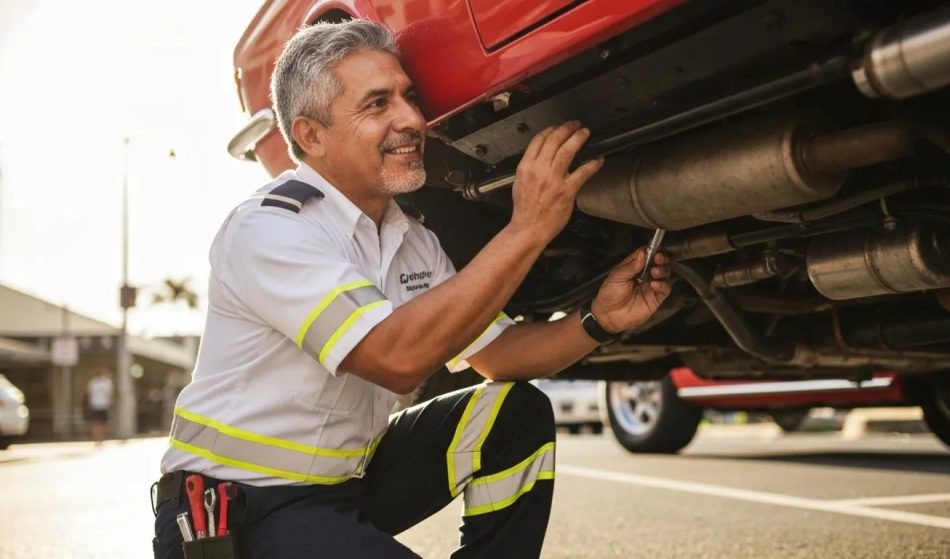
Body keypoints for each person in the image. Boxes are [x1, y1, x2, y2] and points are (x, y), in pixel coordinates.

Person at [151, 20, 671, 559]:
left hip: (348, 487)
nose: (412, 120)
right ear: (311, 135)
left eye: (409, 97)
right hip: (241, 511)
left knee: (515, 414)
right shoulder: (270, 229)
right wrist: (528, 228)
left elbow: (497, 357)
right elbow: (395, 358)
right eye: (377, 105)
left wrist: (597, 321)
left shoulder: (410, 237)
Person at [86, 371, 112, 444]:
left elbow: (89, 394)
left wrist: (89, 403)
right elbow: (109, 395)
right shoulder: (107, 383)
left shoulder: (92, 382)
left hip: (94, 405)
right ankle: (102, 439)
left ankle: (96, 438)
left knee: (96, 423)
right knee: (103, 423)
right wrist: (110, 403)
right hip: (103, 405)